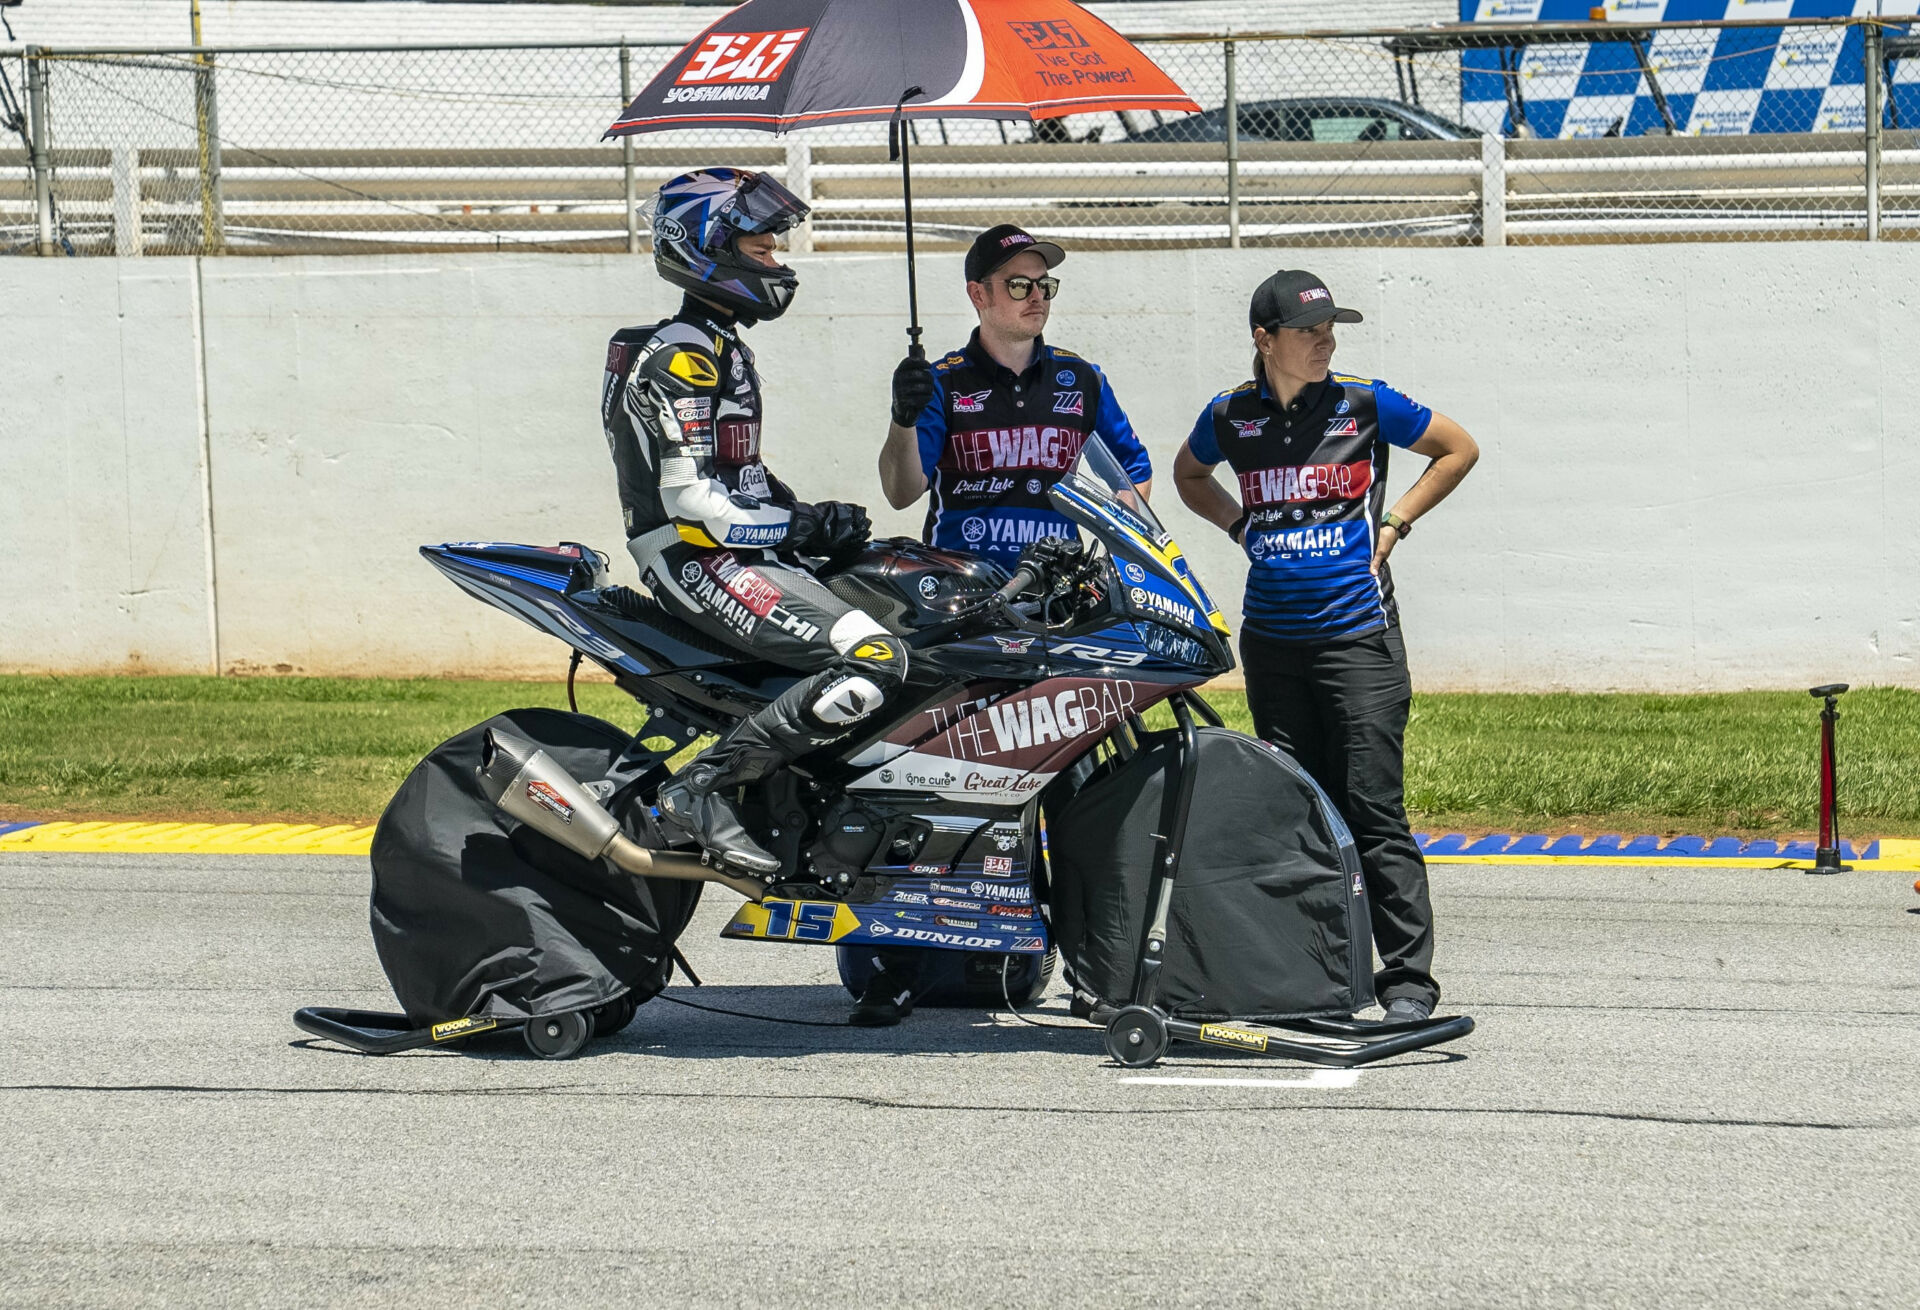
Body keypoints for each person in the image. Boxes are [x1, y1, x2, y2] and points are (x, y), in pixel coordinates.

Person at [1172, 270, 1479, 1024]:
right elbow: (1187, 474)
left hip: (1359, 640)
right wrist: (1241, 527)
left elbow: (1457, 449)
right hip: (1273, 643)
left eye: (1329, 329)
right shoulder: (1231, 415)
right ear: (1264, 339)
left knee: (1372, 809)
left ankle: (1406, 981)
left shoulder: (1364, 402)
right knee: (1296, 813)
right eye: (1309, 331)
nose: (1325, 341)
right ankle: (1314, 973)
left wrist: (1396, 521)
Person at [600, 167, 901, 897]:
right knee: (874, 659)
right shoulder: (680, 356)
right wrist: (802, 523)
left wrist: (821, 525)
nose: (775, 248)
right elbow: (699, 505)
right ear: (706, 245)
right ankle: (700, 790)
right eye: (758, 236)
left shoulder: (719, 345)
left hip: (743, 551)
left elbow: (745, 479)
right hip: (699, 561)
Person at [878, 224, 1153, 568]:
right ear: (978, 295)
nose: (1037, 296)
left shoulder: (1083, 379)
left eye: (1045, 285)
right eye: (1020, 286)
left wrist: (1118, 544)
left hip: (1059, 595)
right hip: (962, 593)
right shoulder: (941, 382)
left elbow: (1134, 470)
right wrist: (902, 419)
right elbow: (900, 494)